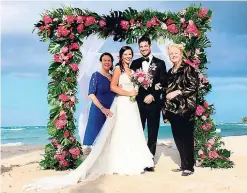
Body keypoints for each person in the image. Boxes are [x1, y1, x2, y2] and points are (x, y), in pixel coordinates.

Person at [23, 46, 154, 191]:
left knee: (131, 131)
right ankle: (118, 161)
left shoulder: (132, 71)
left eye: (130, 54)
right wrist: (129, 93)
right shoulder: (118, 69)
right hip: (123, 102)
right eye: (125, 54)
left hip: (132, 105)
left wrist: (138, 89)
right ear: (121, 56)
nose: (128, 56)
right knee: (120, 132)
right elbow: (113, 87)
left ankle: (134, 160)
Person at [162, 43, 199, 176]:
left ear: (181, 53)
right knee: (177, 138)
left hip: (186, 109)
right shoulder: (170, 71)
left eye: (175, 52)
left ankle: (189, 167)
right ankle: (183, 165)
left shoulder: (188, 69)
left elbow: (193, 86)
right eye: (171, 53)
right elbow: (167, 88)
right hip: (173, 110)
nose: (173, 55)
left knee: (187, 138)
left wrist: (178, 92)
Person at [130, 36, 167, 171]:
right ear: (139, 48)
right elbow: (131, 81)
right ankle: (138, 158)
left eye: (146, 46)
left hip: (154, 104)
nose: (144, 49)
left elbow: (164, 83)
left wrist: (153, 95)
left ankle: (149, 161)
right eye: (141, 47)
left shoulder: (160, 63)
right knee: (138, 131)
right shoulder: (134, 63)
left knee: (153, 132)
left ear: (150, 46)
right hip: (138, 104)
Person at [83, 52, 115, 147]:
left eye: (109, 60)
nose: (107, 62)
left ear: (112, 63)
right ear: (101, 62)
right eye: (105, 60)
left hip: (111, 111)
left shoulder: (114, 78)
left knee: (108, 141)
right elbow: (91, 94)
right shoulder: (96, 75)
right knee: (93, 140)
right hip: (98, 110)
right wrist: (102, 108)